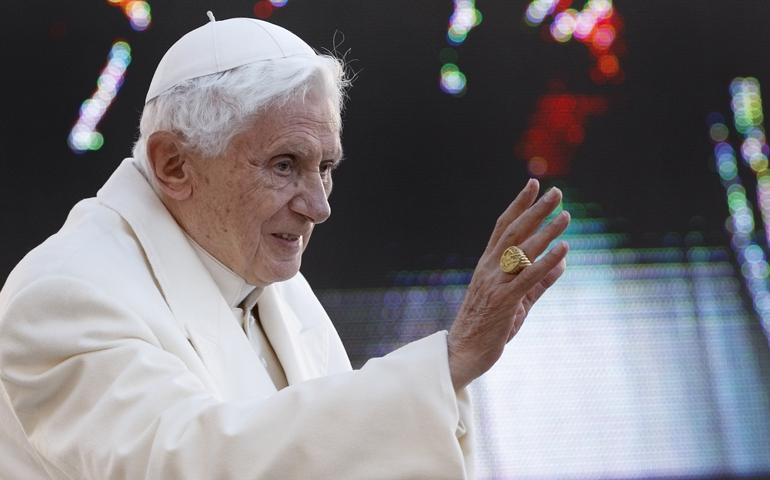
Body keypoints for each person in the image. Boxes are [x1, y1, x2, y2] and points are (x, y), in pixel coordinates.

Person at [0, 14, 570, 479]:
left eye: (324, 168)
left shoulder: (270, 281)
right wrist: (448, 362)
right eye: (283, 165)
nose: (318, 206)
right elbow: (184, 465)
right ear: (174, 165)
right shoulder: (63, 293)